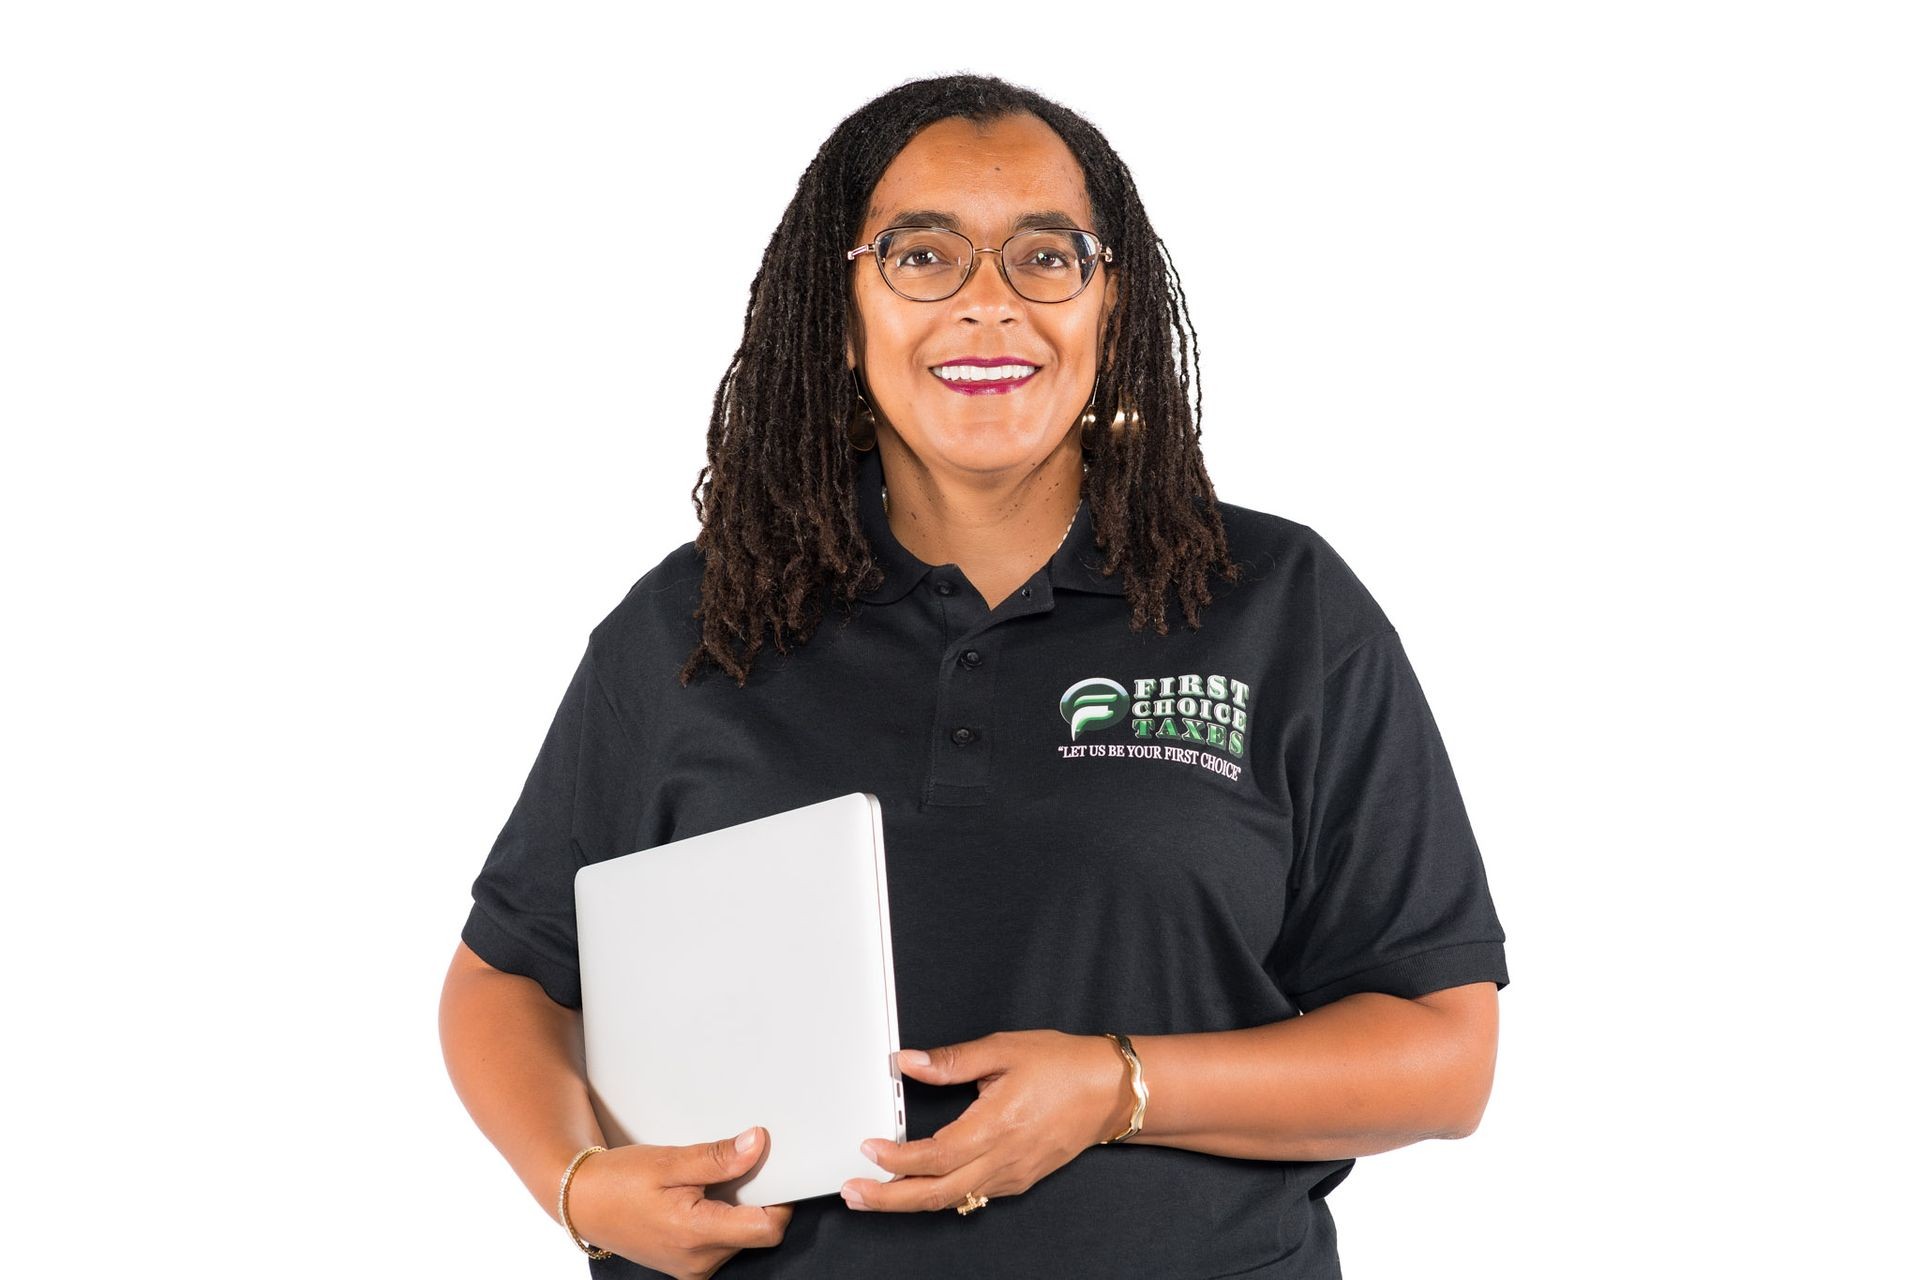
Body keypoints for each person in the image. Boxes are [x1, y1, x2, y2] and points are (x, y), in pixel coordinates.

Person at [440, 73, 1509, 1280]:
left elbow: (1444, 1051)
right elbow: (506, 977)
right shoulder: (698, 622)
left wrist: (1121, 1085)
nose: (989, 305)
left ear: (1112, 304)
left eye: (1046, 256)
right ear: (840, 311)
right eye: (923, 255)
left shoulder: (1277, 603)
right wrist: (578, 1182)